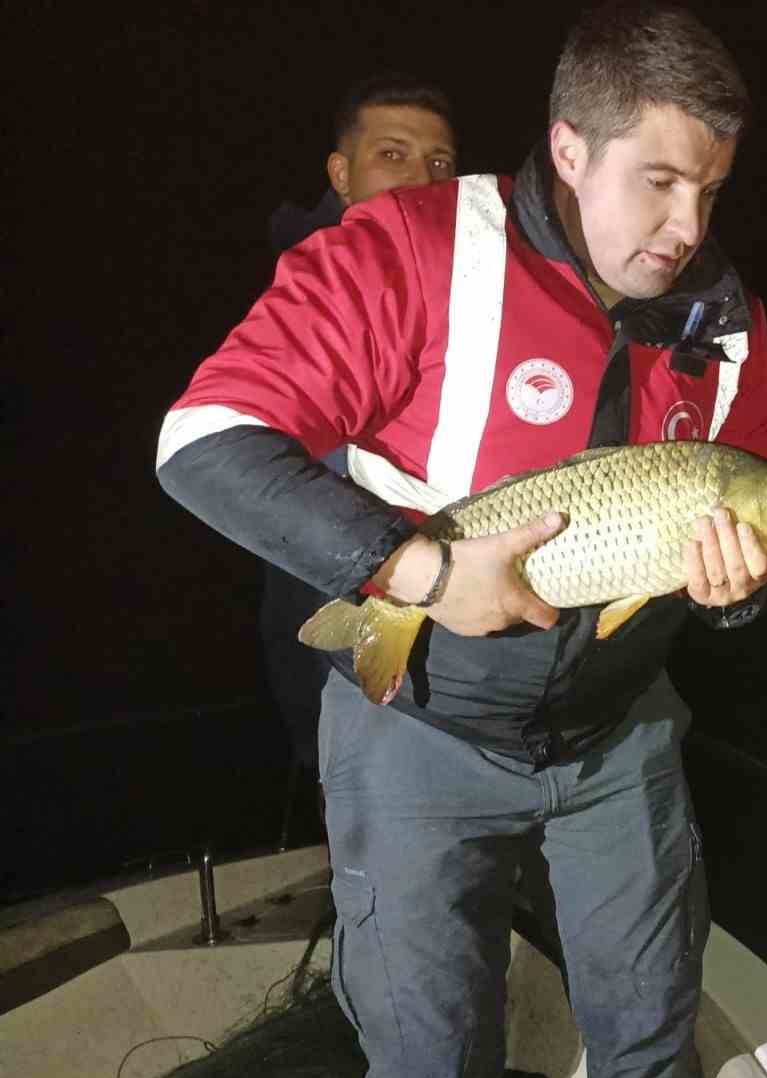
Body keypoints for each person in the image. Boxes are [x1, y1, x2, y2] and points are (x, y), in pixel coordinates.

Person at [157, 4, 767, 1078]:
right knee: (429, 1072)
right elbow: (201, 440)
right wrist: (421, 574)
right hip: (418, 736)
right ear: (567, 148)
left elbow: (757, 508)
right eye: (657, 181)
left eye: (709, 190)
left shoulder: (721, 321)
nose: (685, 228)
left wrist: (735, 595)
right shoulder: (406, 251)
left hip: (617, 735)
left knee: (655, 1046)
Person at [259, 75, 459, 828]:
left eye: (440, 163)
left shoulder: (475, 285)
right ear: (341, 176)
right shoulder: (302, 289)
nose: (420, 179)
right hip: (331, 614)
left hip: (447, 626)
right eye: (394, 155)